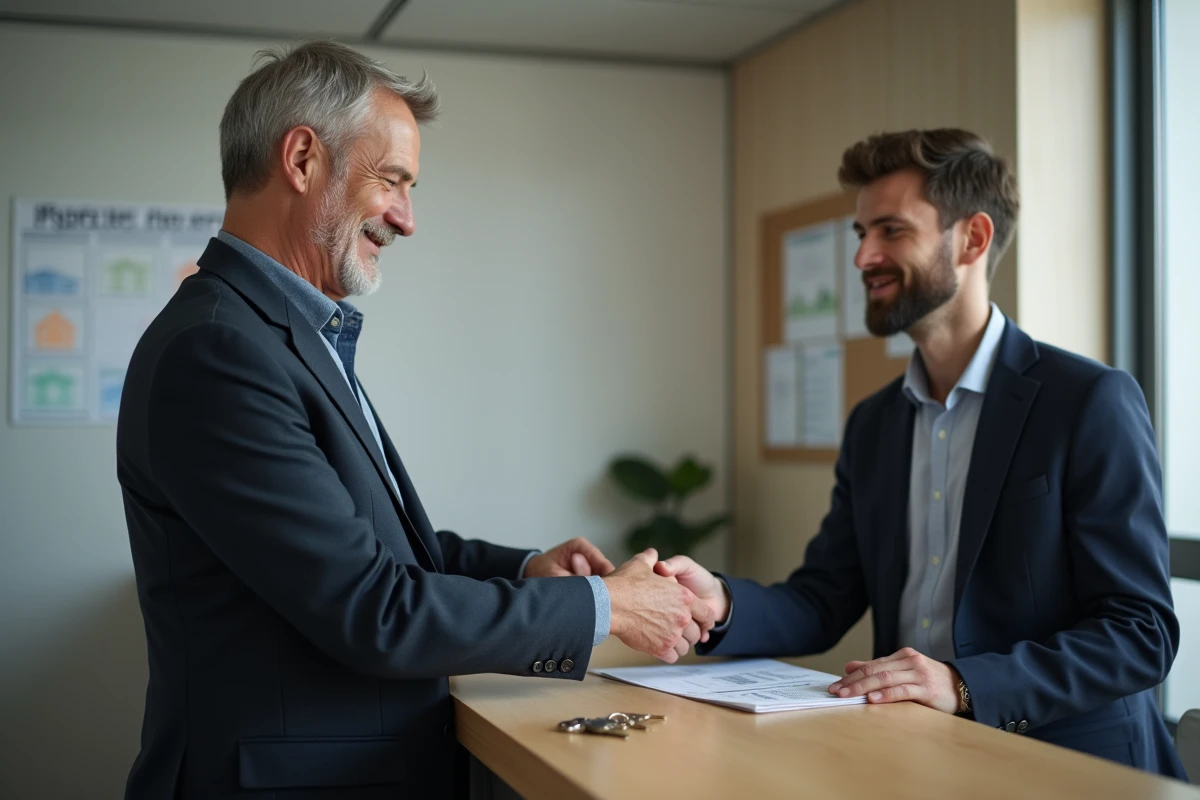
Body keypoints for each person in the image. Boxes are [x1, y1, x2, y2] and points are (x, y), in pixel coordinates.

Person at [117, 40, 712, 800]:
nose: (407, 218)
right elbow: (373, 609)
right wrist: (610, 606)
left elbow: (368, 549)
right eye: (393, 181)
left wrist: (524, 570)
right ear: (302, 160)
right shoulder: (218, 352)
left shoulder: (275, 334)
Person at [658, 128, 1186, 779]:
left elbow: (1139, 632)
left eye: (890, 231)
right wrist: (721, 603)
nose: (862, 258)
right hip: (915, 762)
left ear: (973, 239)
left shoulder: (1087, 401)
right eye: (860, 235)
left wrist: (963, 684)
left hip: (1069, 769)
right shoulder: (874, 424)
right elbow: (824, 598)